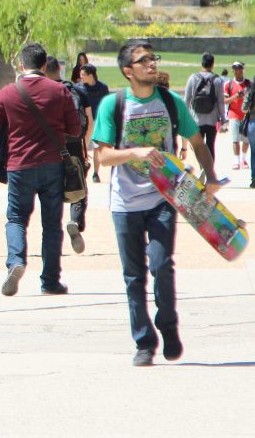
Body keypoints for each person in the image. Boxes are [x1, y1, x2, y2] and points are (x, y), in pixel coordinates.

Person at [92, 42, 219, 366]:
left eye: (153, 58)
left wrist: (211, 175)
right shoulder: (113, 105)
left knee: (161, 264)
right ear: (127, 70)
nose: (151, 64)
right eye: (142, 60)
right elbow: (102, 156)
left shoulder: (170, 102)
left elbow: (196, 142)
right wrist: (133, 152)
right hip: (125, 203)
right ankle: (144, 342)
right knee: (133, 275)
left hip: (163, 197)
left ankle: (169, 326)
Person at [0, 43, 80, 297]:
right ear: (44, 65)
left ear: (21, 65)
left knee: (16, 218)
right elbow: (74, 130)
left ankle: (16, 261)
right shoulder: (59, 91)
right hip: (53, 165)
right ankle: (50, 281)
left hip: (19, 165)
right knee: (51, 224)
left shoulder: (8, 93)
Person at [44, 56, 93, 255]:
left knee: (51, 190)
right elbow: (89, 121)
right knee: (78, 187)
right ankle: (75, 221)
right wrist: (84, 146)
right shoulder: (78, 90)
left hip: (50, 147)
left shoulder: (42, 92)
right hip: (74, 144)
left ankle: (53, 235)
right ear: (59, 70)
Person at [183, 52, 224, 161]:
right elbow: (220, 101)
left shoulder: (193, 78)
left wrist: (185, 117)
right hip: (212, 119)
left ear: (202, 63)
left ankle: (202, 168)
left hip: (196, 119)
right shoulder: (217, 80)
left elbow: (187, 99)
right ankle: (210, 171)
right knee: (210, 145)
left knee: (198, 146)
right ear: (212, 64)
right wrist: (223, 118)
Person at [75, 63, 109, 183]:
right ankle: (81, 170)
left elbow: (107, 105)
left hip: (98, 121)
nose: (81, 76)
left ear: (91, 75)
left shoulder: (103, 88)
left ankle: (95, 173)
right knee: (81, 148)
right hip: (83, 122)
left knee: (96, 147)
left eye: (83, 74)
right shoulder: (78, 88)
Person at [224, 61, 251, 170]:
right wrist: (236, 96)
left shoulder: (249, 83)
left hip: (246, 114)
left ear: (243, 70)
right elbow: (225, 101)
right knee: (235, 138)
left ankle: (243, 159)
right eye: (235, 69)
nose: (237, 71)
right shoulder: (228, 84)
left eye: (239, 68)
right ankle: (236, 160)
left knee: (245, 139)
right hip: (233, 113)